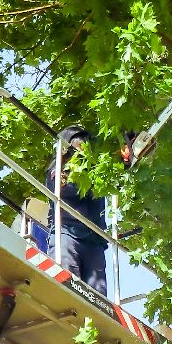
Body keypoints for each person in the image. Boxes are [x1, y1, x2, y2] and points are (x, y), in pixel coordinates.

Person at [48, 126, 111, 297]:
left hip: (93, 240)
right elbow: (67, 190)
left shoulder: (95, 172)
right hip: (67, 233)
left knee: (98, 299)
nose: (84, 151)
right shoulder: (58, 168)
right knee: (67, 287)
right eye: (80, 146)